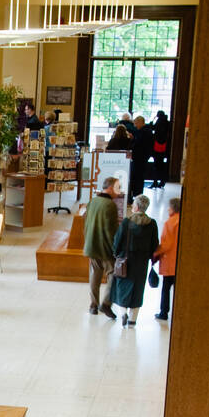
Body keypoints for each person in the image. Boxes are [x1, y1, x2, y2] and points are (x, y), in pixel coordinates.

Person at [108, 193, 159, 329]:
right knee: (138, 288)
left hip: (126, 259)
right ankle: (132, 320)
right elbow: (155, 244)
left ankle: (123, 312)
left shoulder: (127, 222)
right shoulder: (152, 224)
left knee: (122, 286)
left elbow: (118, 241)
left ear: (135, 207)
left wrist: (116, 253)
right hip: (141, 262)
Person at [83, 175, 120, 318]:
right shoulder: (110, 205)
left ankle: (93, 305)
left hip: (91, 245)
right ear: (110, 188)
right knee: (113, 275)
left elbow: (86, 223)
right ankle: (106, 303)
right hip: (105, 248)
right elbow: (111, 231)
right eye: (117, 187)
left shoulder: (93, 201)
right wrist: (115, 249)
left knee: (94, 275)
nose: (119, 191)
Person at [153, 195, 180, 320]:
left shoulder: (170, 223)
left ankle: (164, 312)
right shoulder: (182, 220)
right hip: (180, 261)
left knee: (166, 288)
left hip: (170, 260)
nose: (167, 209)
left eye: (169, 207)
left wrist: (156, 253)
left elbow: (166, 244)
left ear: (173, 209)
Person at [129, 116, 154, 200]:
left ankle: (137, 194)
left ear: (140, 122)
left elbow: (138, 144)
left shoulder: (144, 132)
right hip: (143, 157)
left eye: (136, 124)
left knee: (138, 177)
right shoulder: (147, 131)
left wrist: (132, 139)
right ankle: (137, 194)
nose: (135, 126)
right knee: (139, 177)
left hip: (140, 158)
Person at [150, 110, 171, 188]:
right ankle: (162, 181)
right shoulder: (167, 122)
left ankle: (155, 182)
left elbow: (152, 128)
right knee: (161, 165)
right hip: (164, 147)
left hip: (157, 146)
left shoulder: (158, 122)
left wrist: (152, 120)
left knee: (156, 165)